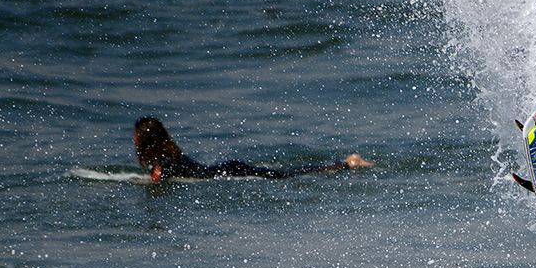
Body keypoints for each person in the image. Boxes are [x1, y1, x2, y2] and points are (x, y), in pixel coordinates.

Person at [133, 116, 372, 182]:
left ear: (145, 142)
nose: (133, 142)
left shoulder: (163, 167)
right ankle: (345, 163)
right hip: (227, 169)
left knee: (286, 176)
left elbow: (154, 182)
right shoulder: (174, 156)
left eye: (136, 139)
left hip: (228, 173)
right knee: (284, 174)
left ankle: (347, 163)